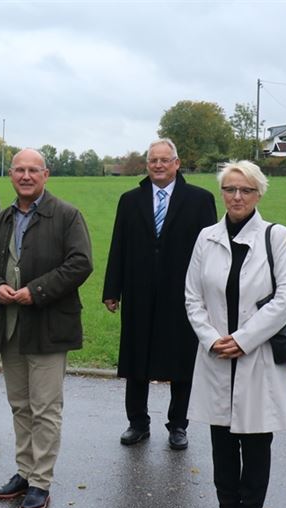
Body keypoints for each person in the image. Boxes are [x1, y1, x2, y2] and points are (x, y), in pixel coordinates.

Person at [184, 160, 286, 508]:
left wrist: (245, 339)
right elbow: (192, 296)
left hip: (257, 355)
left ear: (259, 193)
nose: (237, 196)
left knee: (254, 440)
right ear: (222, 192)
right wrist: (211, 337)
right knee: (221, 440)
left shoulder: (276, 236)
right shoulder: (207, 238)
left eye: (245, 190)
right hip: (217, 354)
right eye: (230, 189)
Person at [0, 148, 92, 508]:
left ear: (46, 174)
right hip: (10, 327)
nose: (25, 176)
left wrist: (36, 291)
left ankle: (41, 482)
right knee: (20, 405)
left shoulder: (66, 215)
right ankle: (24, 472)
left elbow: (80, 263)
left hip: (48, 327)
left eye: (33, 170)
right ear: (11, 174)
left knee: (45, 408)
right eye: (19, 170)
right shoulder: (3, 218)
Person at [102, 138, 217, 450]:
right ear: (147, 164)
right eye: (154, 160)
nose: (159, 165)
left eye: (165, 160)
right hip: (138, 290)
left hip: (183, 294)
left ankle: (178, 425)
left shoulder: (199, 200)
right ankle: (137, 422)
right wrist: (112, 289)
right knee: (137, 356)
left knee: (182, 359)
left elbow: (211, 253)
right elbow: (118, 246)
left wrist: (210, 294)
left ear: (177, 164)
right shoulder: (130, 200)